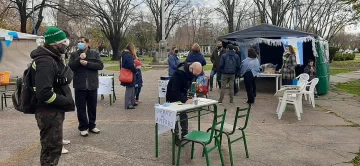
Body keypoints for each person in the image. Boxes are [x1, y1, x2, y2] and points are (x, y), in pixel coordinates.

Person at [31, 26, 75, 165]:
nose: (64, 45)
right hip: (48, 112)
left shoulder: (51, 58)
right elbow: (44, 93)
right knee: (51, 150)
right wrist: (65, 101)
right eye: (63, 42)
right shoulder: (45, 61)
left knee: (53, 148)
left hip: (52, 110)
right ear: (55, 43)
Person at [68, 36, 104, 137]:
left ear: (88, 43)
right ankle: (83, 127)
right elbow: (71, 67)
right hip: (80, 85)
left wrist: (87, 63)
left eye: (82, 42)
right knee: (81, 107)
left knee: (92, 106)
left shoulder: (94, 53)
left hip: (92, 84)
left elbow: (100, 66)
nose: (80, 43)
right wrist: (79, 59)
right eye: (79, 42)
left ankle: (92, 125)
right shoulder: (74, 54)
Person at [166, 62, 203, 145]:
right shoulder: (178, 74)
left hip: (182, 94)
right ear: (191, 68)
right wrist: (185, 100)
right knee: (174, 117)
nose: (196, 76)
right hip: (172, 95)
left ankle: (185, 135)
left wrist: (190, 96)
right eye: (196, 73)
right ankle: (175, 137)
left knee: (183, 114)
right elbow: (175, 91)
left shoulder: (191, 73)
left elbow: (188, 86)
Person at [121, 42, 138, 109]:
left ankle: (132, 102)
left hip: (127, 72)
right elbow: (130, 65)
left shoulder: (124, 54)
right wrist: (135, 70)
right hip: (129, 73)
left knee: (132, 87)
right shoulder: (128, 55)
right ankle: (128, 104)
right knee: (130, 88)